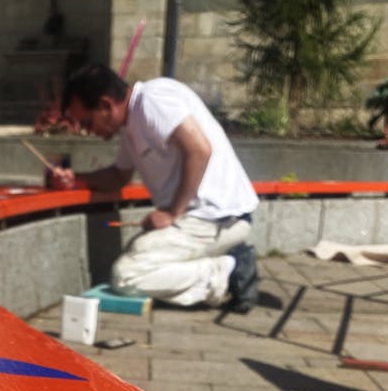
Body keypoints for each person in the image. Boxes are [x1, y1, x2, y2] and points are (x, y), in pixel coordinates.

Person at [52, 65, 259, 311]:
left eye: (86, 121)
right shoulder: (132, 124)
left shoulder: (153, 100)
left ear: (106, 105)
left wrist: (172, 212)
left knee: (125, 275)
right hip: (204, 220)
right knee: (137, 252)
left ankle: (227, 274)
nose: (87, 131)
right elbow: (118, 176)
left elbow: (199, 150)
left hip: (217, 218)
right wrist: (76, 179)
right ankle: (219, 262)